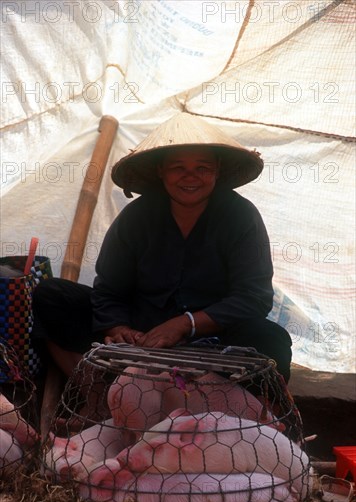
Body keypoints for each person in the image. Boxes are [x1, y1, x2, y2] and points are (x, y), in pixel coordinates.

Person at [33, 113, 292, 396]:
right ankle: (102, 398)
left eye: (202, 167)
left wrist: (185, 324)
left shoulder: (240, 216)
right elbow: (109, 290)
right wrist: (119, 327)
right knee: (51, 296)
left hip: (213, 337)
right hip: (144, 335)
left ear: (217, 170)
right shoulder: (137, 216)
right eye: (178, 167)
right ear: (161, 171)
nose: (190, 176)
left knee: (270, 339)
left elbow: (253, 297)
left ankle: (246, 420)